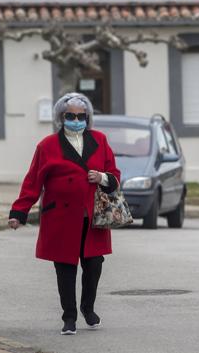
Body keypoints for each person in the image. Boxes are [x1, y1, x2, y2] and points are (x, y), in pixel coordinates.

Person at [7, 93, 120, 335]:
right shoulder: (47, 145)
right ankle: (69, 317)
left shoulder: (100, 140)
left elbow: (115, 176)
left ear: (87, 117)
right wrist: (19, 211)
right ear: (61, 117)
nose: (76, 120)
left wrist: (101, 177)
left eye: (81, 116)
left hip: (93, 217)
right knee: (65, 268)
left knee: (94, 265)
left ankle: (87, 309)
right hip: (60, 217)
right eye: (70, 115)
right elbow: (32, 182)